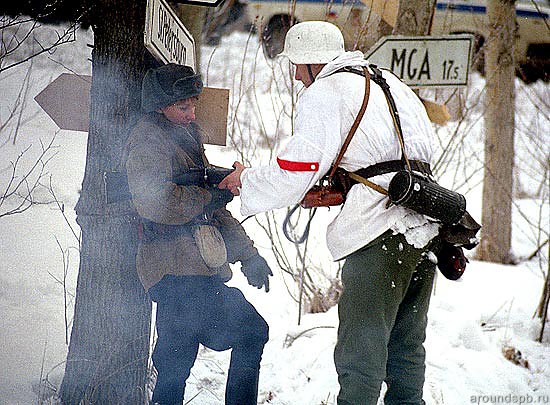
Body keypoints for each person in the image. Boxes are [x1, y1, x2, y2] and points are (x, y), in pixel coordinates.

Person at [219, 21, 441, 405]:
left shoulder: (327, 91)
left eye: (296, 67)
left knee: (361, 356)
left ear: (309, 63)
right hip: (425, 228)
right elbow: (407, 158)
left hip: (379, 234)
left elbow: (297, 168)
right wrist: (346, 187)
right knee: (406, 352)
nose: (295, 77)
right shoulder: (391, 85)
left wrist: (247, 181)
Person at [125, 63, 273, 405]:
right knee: (183, 363)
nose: (192, 114)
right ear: (160, 106)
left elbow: (213, 208)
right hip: (173, 271)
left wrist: (248, 255)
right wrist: (210, 195)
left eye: (193, 105)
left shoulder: (184, 137)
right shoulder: (148, 140)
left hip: (197, 271)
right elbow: (156, 203)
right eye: (183, 107)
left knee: (177, 366)